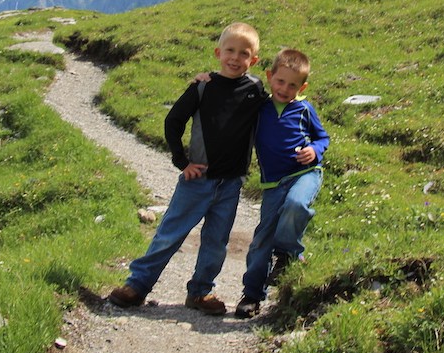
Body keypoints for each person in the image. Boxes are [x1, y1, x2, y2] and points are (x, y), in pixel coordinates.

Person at [109, 22, 267, 315]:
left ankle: (200, 292)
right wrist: (182, 161)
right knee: (170, 233)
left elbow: (273, 115)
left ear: (253, 60)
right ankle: (138, 285)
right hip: (198, 179)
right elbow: (173, 121)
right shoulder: (202, 87)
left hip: (231, 184)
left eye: (243, 53)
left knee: (217, 241)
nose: (235, 58)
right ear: (218, 52)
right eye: (229, 51)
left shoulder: (255, 89)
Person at [234, 48, 330, 319]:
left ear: (303, 86)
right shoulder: (260, 107)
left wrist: (315, 150)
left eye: (293, 85)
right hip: (272, 183)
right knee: (261, 239)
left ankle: (287, 251)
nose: (285, 89)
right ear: (269, 76)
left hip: (305, 173)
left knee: (297, 204)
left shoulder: (304, 109)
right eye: (280, 81)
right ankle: (251, 295)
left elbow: (323, 138)